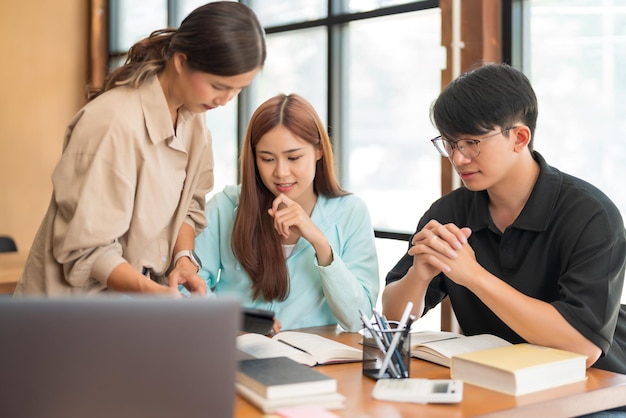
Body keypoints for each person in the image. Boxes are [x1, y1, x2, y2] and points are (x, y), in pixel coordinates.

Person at [382, 63, 626, 381]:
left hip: (595, 388)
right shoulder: (449, 212)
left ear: (519, 137)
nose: (458, 158)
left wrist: (473, 276)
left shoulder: (591, 215)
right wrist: (419, 276)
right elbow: (390, 319)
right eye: (451, 144)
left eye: (472, 142)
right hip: (496, 382)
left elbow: (583, 347)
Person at [14, 2, 266, 297]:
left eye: (237, 90)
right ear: (182, 61)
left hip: (128, 311)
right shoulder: (111, 123)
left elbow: (190, 208)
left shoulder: (195, 121)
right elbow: (86, 252)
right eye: (218, 85)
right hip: (67, 315)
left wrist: (183, 257)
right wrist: (152, 293)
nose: (225, 100)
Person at [194, 93, 379, 332]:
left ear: (319, 151)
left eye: (294, 157)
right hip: (236, 353)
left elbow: (357, 319)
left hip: (315, 362)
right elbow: (186, 289)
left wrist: (320, 243)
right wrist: (231, 323)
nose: (281, 172)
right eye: (267, 159)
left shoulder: (351, 212)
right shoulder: (225, 207)